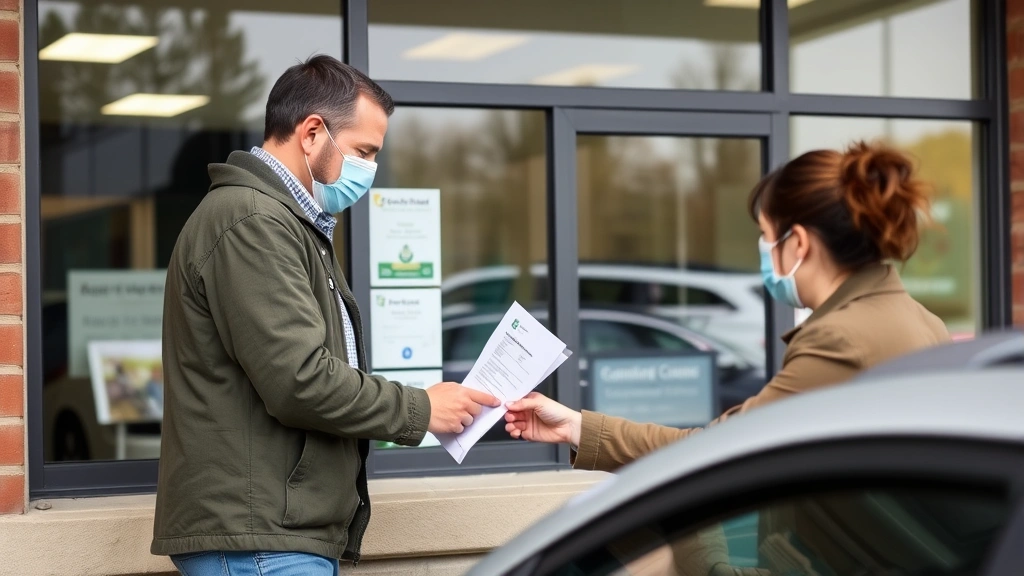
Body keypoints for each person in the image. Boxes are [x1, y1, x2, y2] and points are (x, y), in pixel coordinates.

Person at [504, 141, 951, 574]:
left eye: (766, 236)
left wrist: (577, 428)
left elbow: (713, 450)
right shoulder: (924, 322)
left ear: (798, 243)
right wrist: (576, 427)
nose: (764, 250)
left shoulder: (840, 340)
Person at [151, 55, 499, 576]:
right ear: (312, 133)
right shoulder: (252, 222)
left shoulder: (289, 222)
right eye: (363, 151)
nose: (369, 170)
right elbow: (300, 379)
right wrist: (421, 409)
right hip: (260, 539)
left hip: (274, 533)